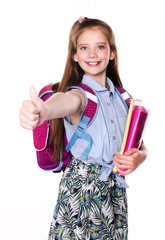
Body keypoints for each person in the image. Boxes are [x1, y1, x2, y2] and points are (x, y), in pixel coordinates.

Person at [19, 17, 147, 240]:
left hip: (114, 188)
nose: (92, 54)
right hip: (82, 187)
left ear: (112, 52)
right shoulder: (80, 95)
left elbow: (138, 145)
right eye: (84, 47)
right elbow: (66, 101)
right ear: (75, 56)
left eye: (100, 46)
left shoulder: (124, 98)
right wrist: (44, 112)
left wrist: (140, 157)